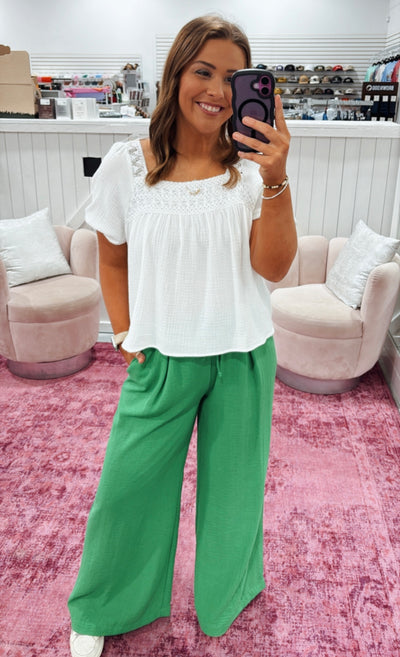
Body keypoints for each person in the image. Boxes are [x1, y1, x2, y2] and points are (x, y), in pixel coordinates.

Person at [68, 14, 297, 657]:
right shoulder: (126, 164)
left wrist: (276, 176)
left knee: (234, 495)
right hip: (162, 356)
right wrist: (122, 332)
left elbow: (274, 267)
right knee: (128, 487)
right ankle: (105, 604)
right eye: (205, 71)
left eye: (234, 77)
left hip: (242, 353)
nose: (218, 91)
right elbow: (112, 256)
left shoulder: (253, 168)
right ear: (176, 74)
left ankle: (227, 593)